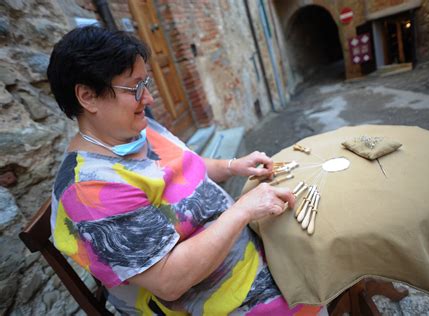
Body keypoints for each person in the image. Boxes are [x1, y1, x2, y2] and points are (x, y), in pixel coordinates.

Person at [47, 25, 326, 315]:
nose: (149, 98)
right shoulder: (88, 192)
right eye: (135, 87)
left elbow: (184, 166)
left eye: (146, 83)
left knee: (324, 235)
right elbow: (169, 281)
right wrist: (243, 210)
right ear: (88, 96)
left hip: (248, 248)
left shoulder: (130, 129)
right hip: (215, 300)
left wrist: (232, 166)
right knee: (323, 273)